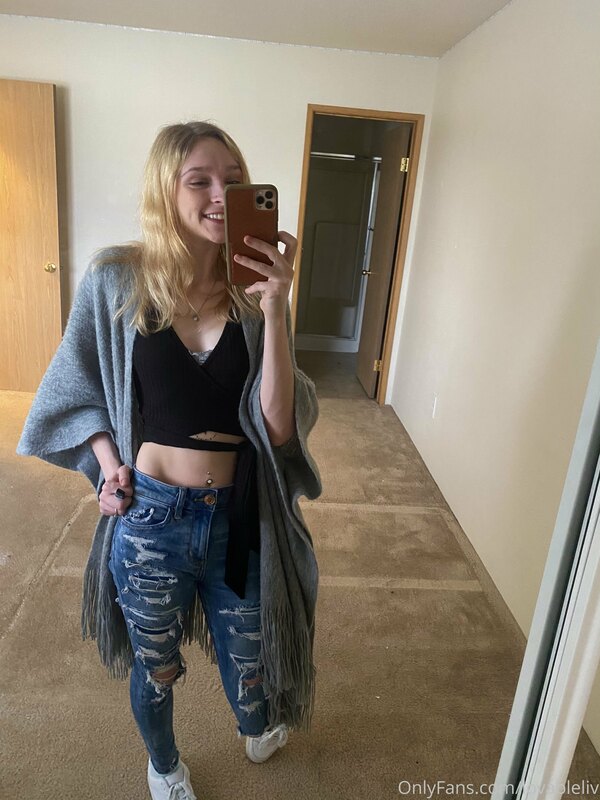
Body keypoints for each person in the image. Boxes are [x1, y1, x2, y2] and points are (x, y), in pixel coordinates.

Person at [16, 120, 322, 800]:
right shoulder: (117, 280)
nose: (220, 196)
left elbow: (278, 428)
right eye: (200, 181)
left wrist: (276, 310)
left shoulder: (254, 295)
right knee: (155, 666)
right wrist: (107, 464)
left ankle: (255, 721)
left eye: (234, 182)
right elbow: (75, 384)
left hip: (238, 519)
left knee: (252, 660)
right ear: (166, 188)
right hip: (151, 519)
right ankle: (164, 766)